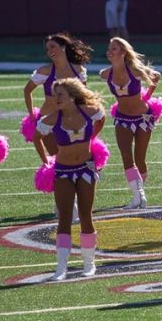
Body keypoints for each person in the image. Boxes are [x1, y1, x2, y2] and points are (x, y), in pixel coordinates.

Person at [36, 80, 107, 280]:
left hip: (86, 168)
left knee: (86, 214)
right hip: (63, 171)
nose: (56, 98)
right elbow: (36, 137)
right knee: (64, 216)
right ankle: (61, 267)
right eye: (54, 94)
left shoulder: (87, 111)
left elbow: (102, 117)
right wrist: (46, 161)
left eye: (60, 94)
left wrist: (92, 138)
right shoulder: (51, 119)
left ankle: (89, 263)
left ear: (72, 96)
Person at [101, 38, 162, 209]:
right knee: (126, 156)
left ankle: (141, 193)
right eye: (109, 48)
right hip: (122, 118)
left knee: (139, 157)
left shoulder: (135, 71)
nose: (109, 51)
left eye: (114, 48)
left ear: (122, 52)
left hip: (143, 117)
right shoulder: (105, 74)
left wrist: (147, 96)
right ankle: (138, 196)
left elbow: (156, 76)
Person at [23, 34, 91, 168]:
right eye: (47, 49)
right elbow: (27, 91)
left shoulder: (78, 70)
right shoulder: (45, 71)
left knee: (78, 159)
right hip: (50, 122)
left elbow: (84, 97)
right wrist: (32, 115)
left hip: (73, 121)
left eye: (53, 46)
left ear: (63, 47)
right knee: (59, 160)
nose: (49, 51)